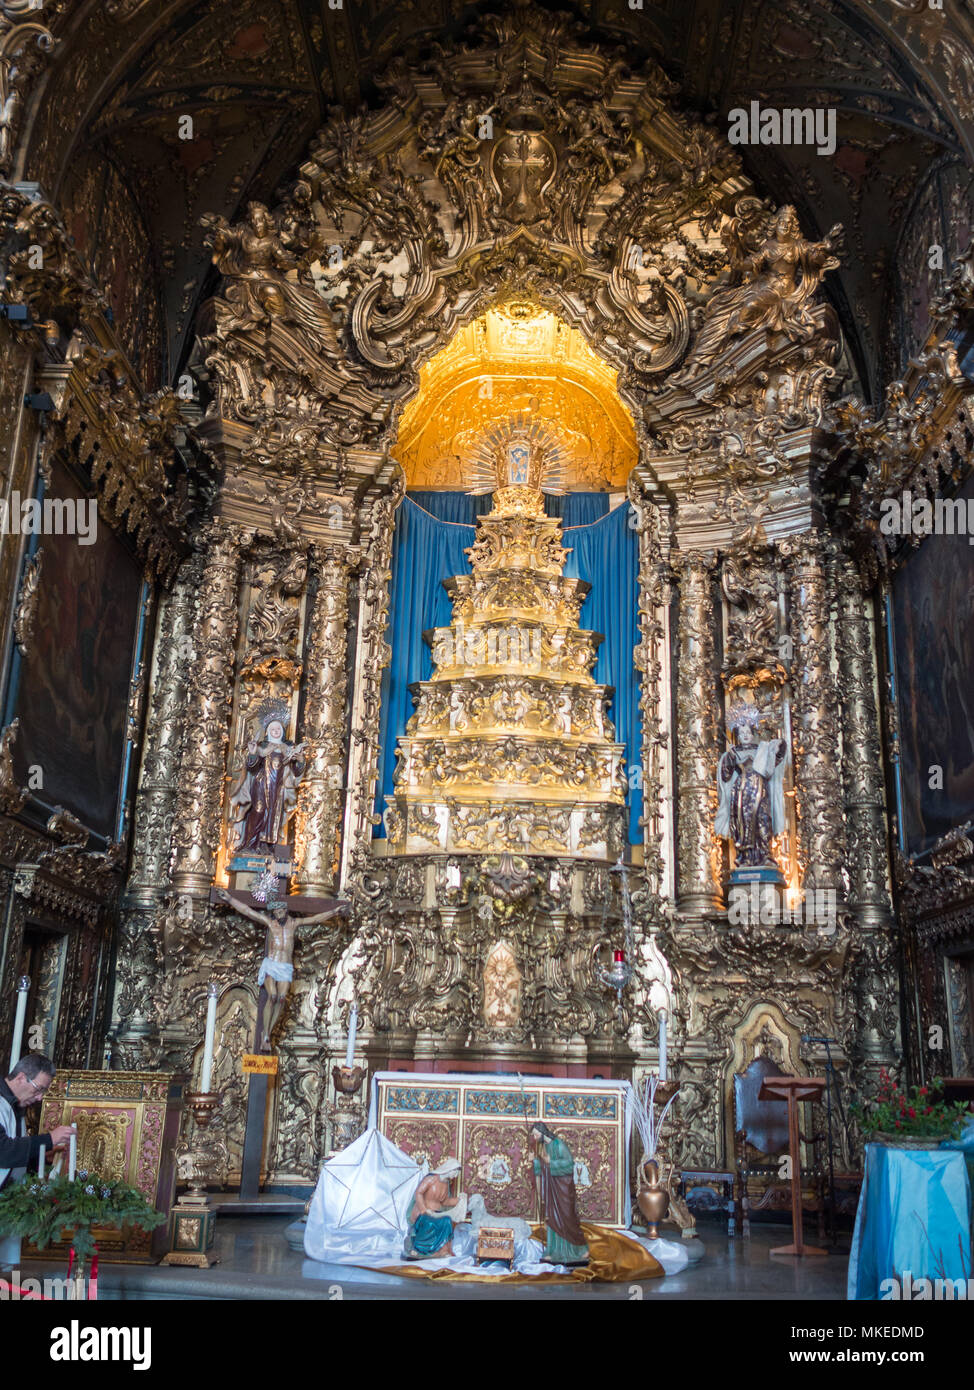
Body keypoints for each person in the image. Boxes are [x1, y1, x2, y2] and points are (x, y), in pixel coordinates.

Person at [216, 886, 350, 1051]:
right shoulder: (271, 924)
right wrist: (229, 899)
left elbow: (315, 919)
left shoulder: (294, 924)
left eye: (280, 910)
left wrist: (334, 912)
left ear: (285, 910)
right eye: (276, 911)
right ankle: (264, 1033)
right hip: (272, 964)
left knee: (281, 998)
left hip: (285, 967)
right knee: (272, 996)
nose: (278, 913)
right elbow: (248, 911)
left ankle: (268, 1034)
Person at [0, 1054, 76, 1191]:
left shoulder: (16, 1107)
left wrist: (42, 1157)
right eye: (39, 1089)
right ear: (21, 1078)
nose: (40, 1097)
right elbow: (3, 1152)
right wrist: (49, 1139)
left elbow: (13, 1164)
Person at [531, 1122, 589, 1266]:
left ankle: (579, 1250)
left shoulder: (559, 1144)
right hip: (552, 1189)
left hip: (563, 1188)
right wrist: (536, 1162)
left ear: (542, 1132)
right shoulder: (544, 1146)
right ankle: (554, 1250)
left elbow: (569, 1164)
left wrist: (551, 1162)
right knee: (552, 1217)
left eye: (535, 1134)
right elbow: (544, 1167)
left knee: (568, 1218)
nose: (534, 1137)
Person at [403, 1159, 463, 1259]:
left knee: (447, 1221)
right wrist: (424, 1209)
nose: (455, 1176)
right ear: (448, 1169)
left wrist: (459, 1200)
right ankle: (418, 1249)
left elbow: (444, 1201)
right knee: (429, 1223)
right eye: (455, 1172)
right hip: (424, 1213)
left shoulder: (446, 1183)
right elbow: (419, 1193)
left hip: (437, 1213)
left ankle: (443, 1250)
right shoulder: (431, 1179)